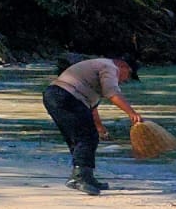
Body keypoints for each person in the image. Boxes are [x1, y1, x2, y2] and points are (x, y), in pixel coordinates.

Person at [42, 55, 145, 195]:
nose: (125, 80)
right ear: (123, 66)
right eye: (128, 76)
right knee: (86, 137)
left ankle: (85, 176)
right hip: (65, 96)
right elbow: (112, 93)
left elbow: (91, 106)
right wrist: (132, 113)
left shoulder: (97, 69)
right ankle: (80, 177)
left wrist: (100, 127)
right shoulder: (110, 67)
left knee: (79, 138)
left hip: (56, 95)